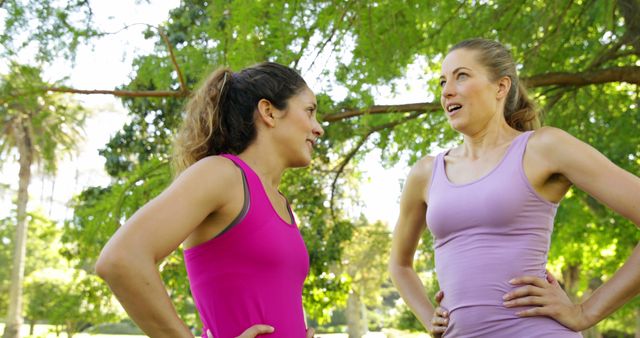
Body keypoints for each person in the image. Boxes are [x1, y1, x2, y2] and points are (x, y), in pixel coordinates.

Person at [389, 38, 640, 337]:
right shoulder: (426, 172)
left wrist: (585, 311)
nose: (447, 91)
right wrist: (428, 316)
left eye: (462, 76)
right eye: (443, 81)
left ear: (501, 87)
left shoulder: (544, 147)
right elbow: (400, 265)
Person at [96, 62, 324, 338]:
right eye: (310, 112)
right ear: (269, 112)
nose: (318, 128)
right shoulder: (222, 174)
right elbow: (121, 259)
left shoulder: (282, 205)